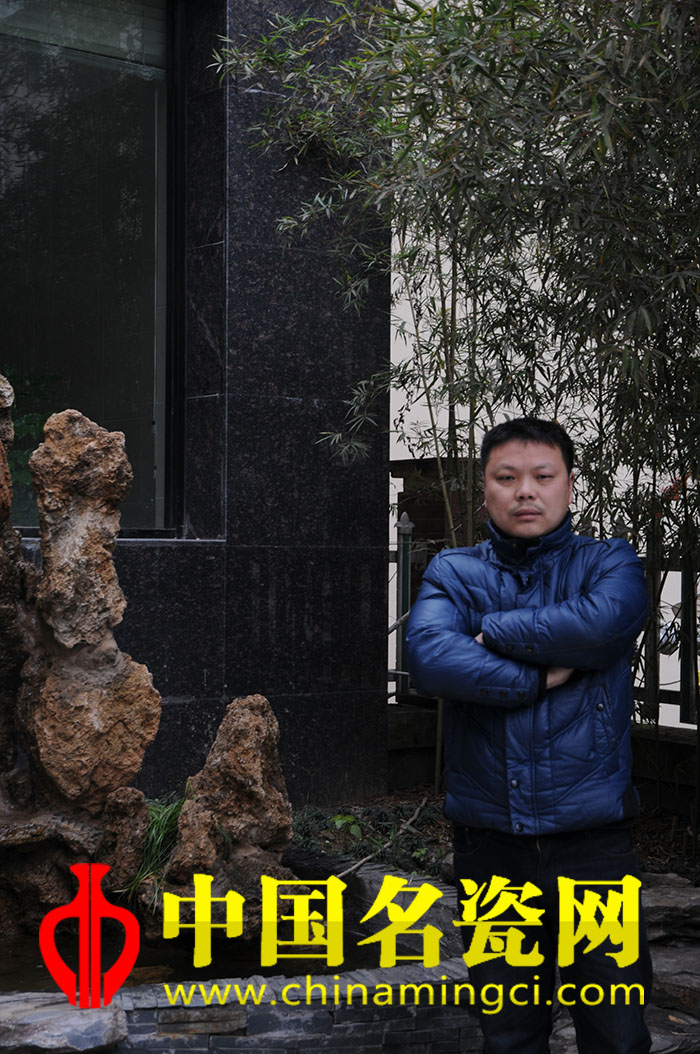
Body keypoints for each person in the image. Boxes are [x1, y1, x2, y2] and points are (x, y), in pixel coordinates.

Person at [405, 417, 652, 1054]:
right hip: (491, 845)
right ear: (483, 489)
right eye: (506, 477)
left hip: (594, 845)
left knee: (617, 1029)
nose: (525, 492)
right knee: (509, 1032)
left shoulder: (609, 561)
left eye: (543, 476)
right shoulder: (452, 570)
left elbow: (602, 625)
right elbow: (431, 658)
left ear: (568, 485)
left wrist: (493, 630)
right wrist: (538, 677)